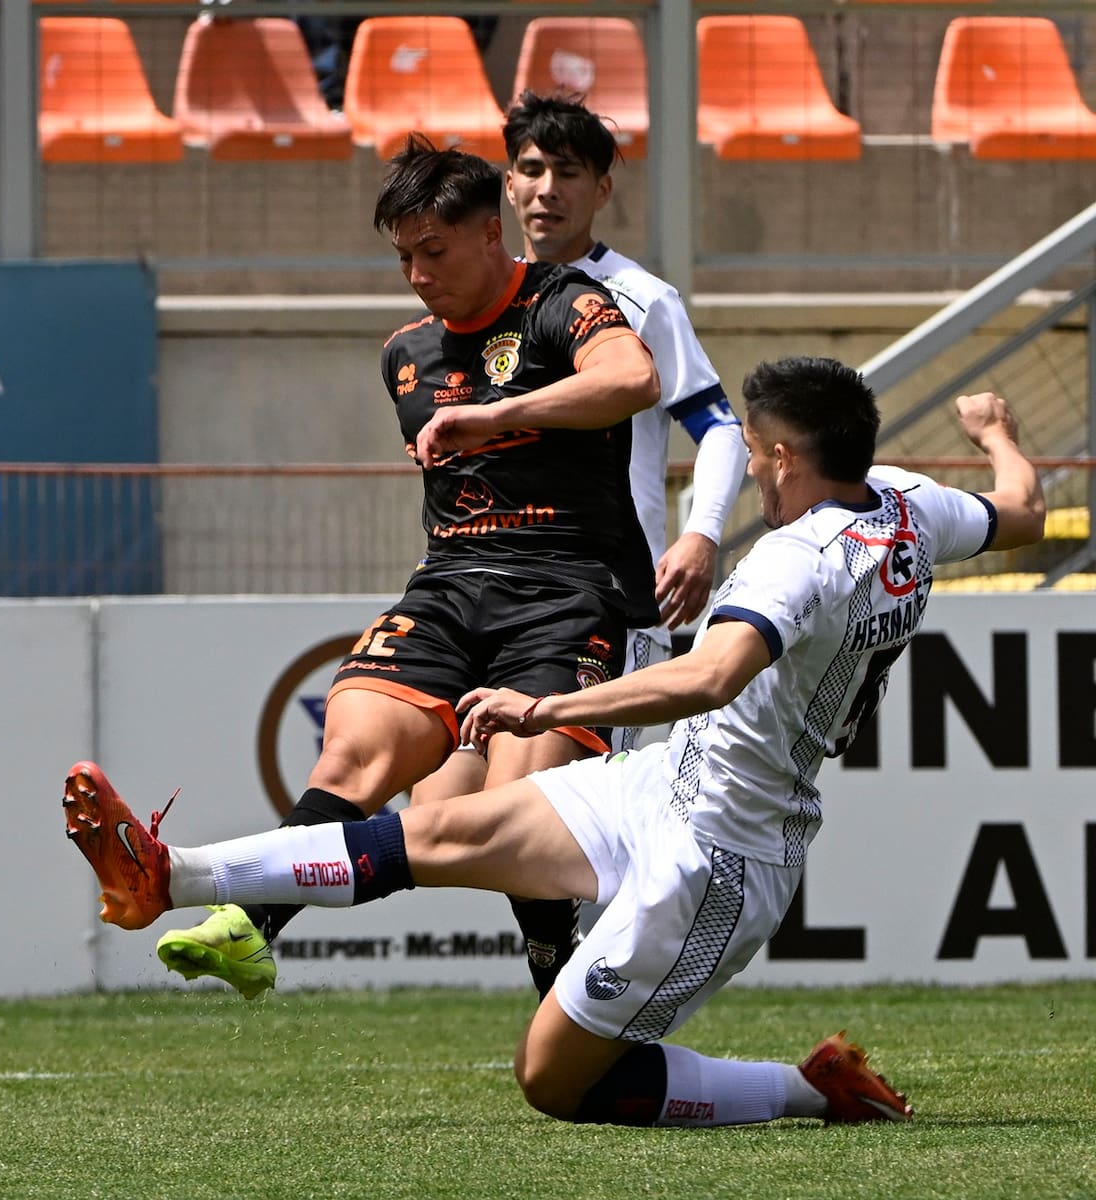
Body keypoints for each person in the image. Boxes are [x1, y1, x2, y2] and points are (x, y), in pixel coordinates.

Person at [63, 357, 1045, 1129]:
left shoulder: (798, 560)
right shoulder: (908, 508)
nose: (747, 461)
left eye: (752, 446)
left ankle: (810, 1088)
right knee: (434, 835)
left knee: (556, 1082)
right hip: (665, 783)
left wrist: (540, 711)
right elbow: (1022, 513)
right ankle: (168, 876)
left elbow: (710, 675)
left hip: (722, 854)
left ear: (784, 456)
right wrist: (997, 434)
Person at [145, 132, 662, 1002]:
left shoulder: (564, 302)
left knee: (517, 817)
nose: (419, 272)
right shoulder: (404, 356)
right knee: (347, 757)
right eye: (403, 256)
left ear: (490, 234)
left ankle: (555, 971)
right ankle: (250, 929)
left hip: (569, 592)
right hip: (451, 586)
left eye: (435, 250)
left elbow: (634, 379)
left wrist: (501, 414)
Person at [412, 91, 747, 812]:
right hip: (494, 598)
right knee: (444, 813)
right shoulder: (468, 305)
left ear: (601, 191)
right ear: (506, 185)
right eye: (530, 169)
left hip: (603, 600)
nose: (546, 189)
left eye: (567, 173)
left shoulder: (640, 299)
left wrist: (702, 533)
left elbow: (719, 428)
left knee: (565, 818)